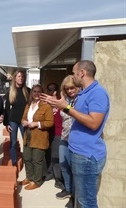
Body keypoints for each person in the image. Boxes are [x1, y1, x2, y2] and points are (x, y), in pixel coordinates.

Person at [40, 60, 110, 208]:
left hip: (87, 157)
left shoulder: (97, 93)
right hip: (78, 153)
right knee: (81, 198)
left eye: (73, 72)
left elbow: (93, 123)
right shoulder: (84, 93)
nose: (72, 75)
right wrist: (60, 105)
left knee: (87, 202)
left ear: (82, 73)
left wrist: (65, 107)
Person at [19, 84, 54, 190]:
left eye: (39, 91)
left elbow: (50, 122)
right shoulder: (29, 105)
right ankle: (29, 177)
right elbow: (23, 118)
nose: (36, 94)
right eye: (34, 91)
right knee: (27, 158)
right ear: (31, 93)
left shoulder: (46, 106)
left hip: (39, 136)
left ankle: (37, 181)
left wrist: (37, 124)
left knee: (36, 160)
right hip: (28, 135)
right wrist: (24, 122)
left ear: (42, 93)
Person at [55, 75, 80, 208]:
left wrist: (64, 106)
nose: (70, 91)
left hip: (76, 140)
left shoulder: (80, 100)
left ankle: (74, 197)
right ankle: (68, 189)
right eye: (67, 89)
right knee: (64, 165)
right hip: (64, 137)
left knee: (74, 169)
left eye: (72, 88)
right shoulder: (66, 100)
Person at [3, 70, 29, 167]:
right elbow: (6, 108)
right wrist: (7, 123)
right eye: (18, 76)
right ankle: (14, 162)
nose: (20, 78)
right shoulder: (11, 91)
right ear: (15, 78)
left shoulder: (28, 91)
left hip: (24, 121)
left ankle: (27, 160)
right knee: (13, 142)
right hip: (13, 120)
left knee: (26, 142)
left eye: (22, 76)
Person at [44, 83, 64, 190]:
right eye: (49, 90)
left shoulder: (61, 103)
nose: (51, 92)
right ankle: (51, 172)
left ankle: (59, 180)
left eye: (53, 89)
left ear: (56, 91)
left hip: (59, 134)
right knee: (50, 155)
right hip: (48, 133)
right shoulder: (46, 104)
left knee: (57, 157)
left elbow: (69, 112)